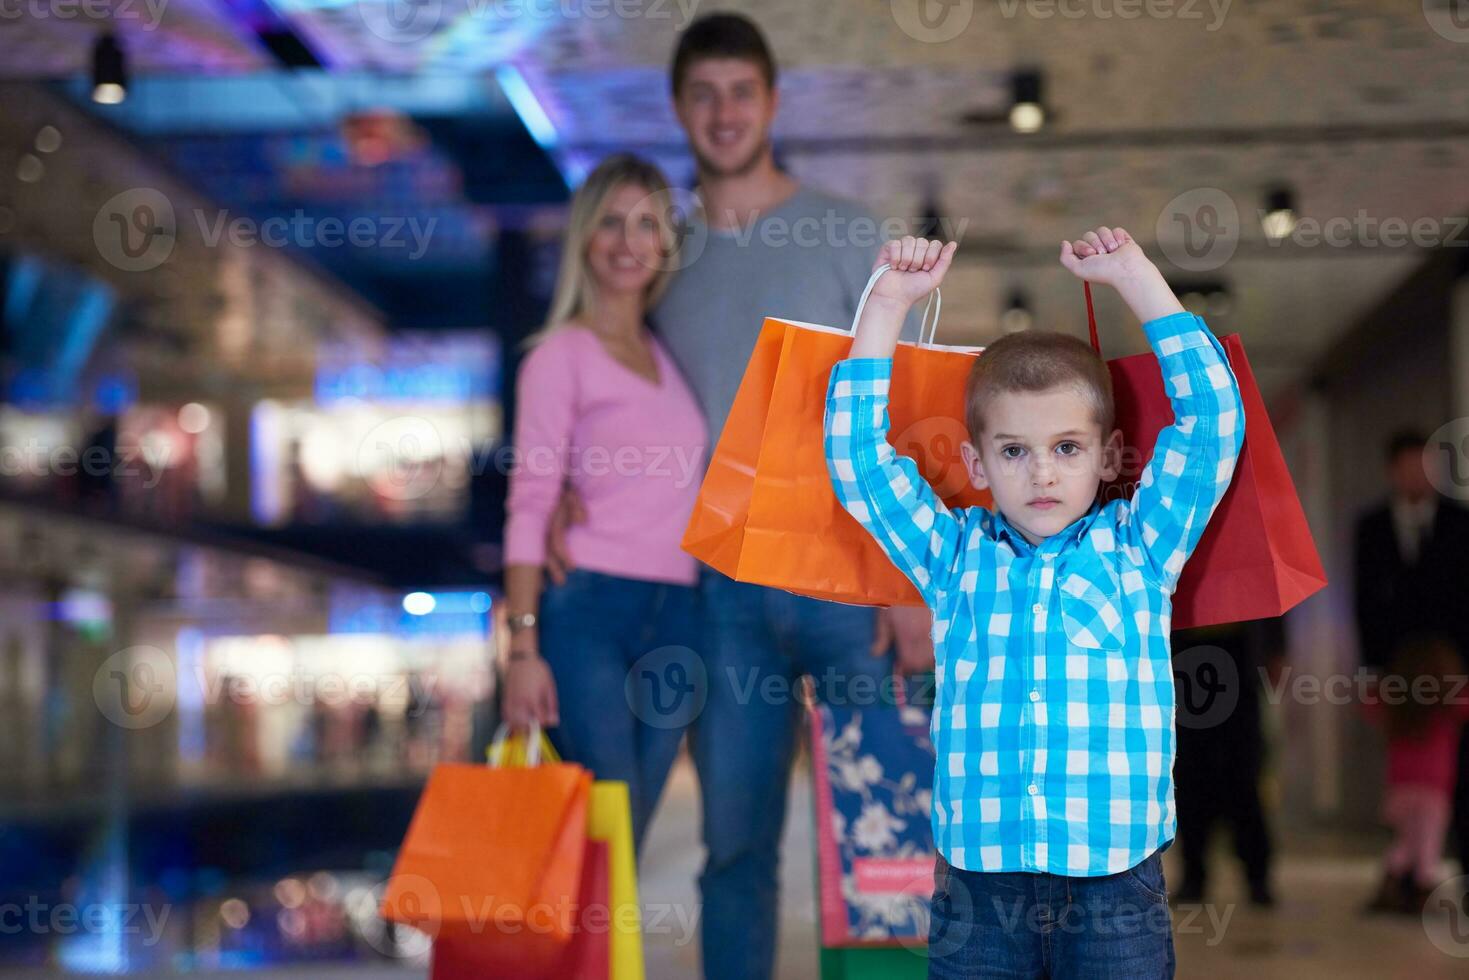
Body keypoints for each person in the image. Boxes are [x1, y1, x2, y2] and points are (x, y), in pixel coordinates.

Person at [542, 15, 932, 978]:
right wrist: (559, 494)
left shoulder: (850, 234)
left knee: (891, 840)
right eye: (703, 94)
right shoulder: (661, 255)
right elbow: (611, 387)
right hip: (719, 595)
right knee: (735, 852)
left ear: (773, 101)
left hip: (850, 585)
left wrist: (908, 579)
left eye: (741, 91)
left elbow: (912, 417)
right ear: (678, 108)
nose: (723, 113)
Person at [826, 229, 1243, 977]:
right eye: (1013, 451)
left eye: (1067, 447)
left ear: (1108, 456)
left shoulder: (1141, 548)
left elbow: (1213, 423)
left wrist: (1135, 277)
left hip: (1114, 884)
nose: (1041, 473)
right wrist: (886, 304)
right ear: (975, 464)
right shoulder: (952, 558)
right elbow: (857, 463)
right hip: (977, 893)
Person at [500, 154, 707, 851]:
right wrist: (521, 649)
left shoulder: (665, 351)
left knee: (628, 834)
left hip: (677, 615)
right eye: (611, 223)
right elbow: (528, 503)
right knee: (601, 832)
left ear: (666, 242)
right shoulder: (558, 356)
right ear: (584, 238)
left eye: (647, 223)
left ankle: (601, 958)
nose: (628, 241)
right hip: (588, 611)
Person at [1353, 432, 1469, 893]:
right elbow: (1364, 604)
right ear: (1392, 471)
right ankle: (1407, 871)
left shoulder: (1460, 524)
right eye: (1407, 466)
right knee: (1408, 767)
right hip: (1398, 669)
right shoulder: (1373, 528)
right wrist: (1371, 671)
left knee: (1456, 767)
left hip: (1454, 667)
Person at [1171, 617, 1285, 906]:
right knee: (1190, 775)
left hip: (1239, 660)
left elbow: (1268, 611)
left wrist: (1275, 650)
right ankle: (1194, 873)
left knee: (1243, 776)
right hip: (1186, 657)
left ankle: (1257, 876)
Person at [1361, 634, 1469, 914]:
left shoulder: (1397, 707)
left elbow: (1368, 702)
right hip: (1433, 791)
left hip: (1399, 790)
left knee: (1407, 843)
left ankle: (1390, 884)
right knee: (1428, 845)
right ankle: (1424, 894)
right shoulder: (1447, 707)